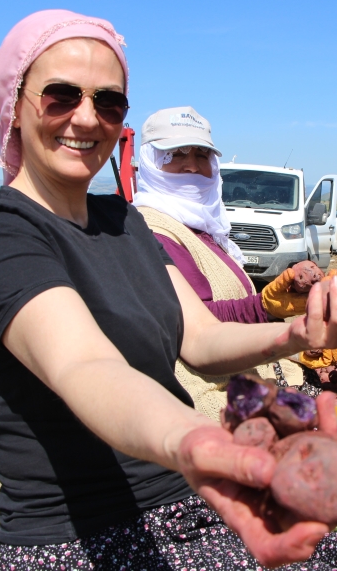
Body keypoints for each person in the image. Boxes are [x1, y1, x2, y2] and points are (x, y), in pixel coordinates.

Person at [0, 9, 337, 571]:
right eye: (61, 96)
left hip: (186, 502)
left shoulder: (123, 222)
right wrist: (196, 440)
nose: (86, 118)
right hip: (86, 537)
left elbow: (202, 339)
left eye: (109, 102)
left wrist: (298, 332)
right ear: (13, 104)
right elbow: (86, 367)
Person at [132, 106, 312, 416]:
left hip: (241, 377)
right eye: (176, 154)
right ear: (151, 162)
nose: (192, 165)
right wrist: (264, 307)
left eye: (202, 155)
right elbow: (195, 323)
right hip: (207, 397)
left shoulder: (202, 225)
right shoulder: (154, 229)